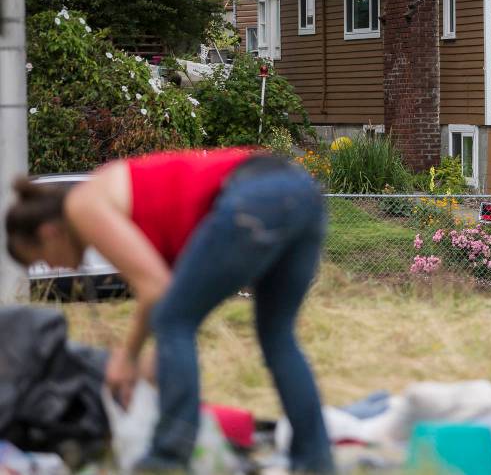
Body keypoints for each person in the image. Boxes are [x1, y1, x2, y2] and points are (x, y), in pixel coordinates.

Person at [4, 149, 335, 474]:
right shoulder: (114, 202)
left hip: (254, 197)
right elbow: (170, 286)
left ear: (48, 232)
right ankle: (315, 459)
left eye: (40, 258)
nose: (51, 267)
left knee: (174, 321)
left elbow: (155, 291)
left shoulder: (82, 205)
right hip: (300, 190)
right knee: (277, 338)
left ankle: (169, 456)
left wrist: (128, 356)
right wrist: (157, 357)